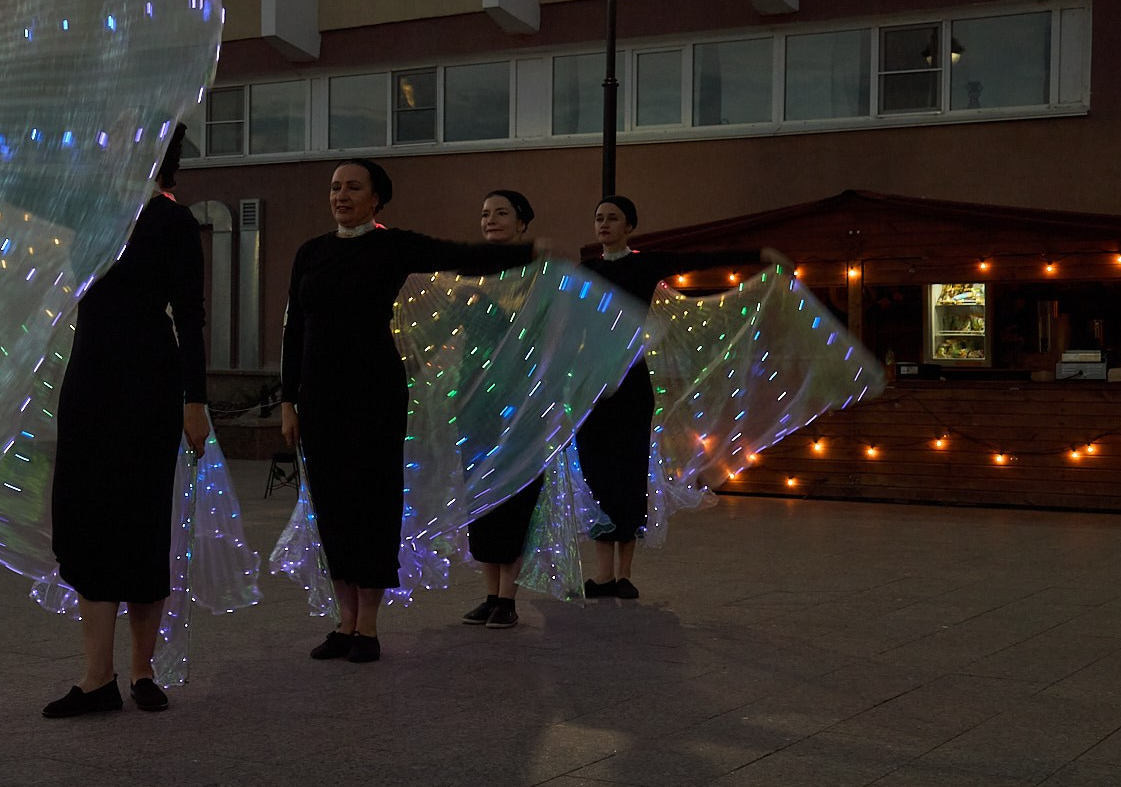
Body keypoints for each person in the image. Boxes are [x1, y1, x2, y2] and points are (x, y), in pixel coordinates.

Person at [280, 160, 535, 663]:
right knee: (330, 507)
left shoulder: (392, 245)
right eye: (335, 187)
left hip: (373, 392)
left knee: (371, 504)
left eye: (354, 187)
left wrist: (529, 251)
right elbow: (294, 330)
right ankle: (343, 621)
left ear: (377, 198)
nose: (342, 195)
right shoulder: (310, 252)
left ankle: (368, 628)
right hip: (319, 398)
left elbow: (459, 255)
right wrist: (289, 398)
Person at [42, 124, 209, 718]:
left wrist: (196, 400)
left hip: (149, 380)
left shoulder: (173, 222)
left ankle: (142, 669)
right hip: (90, 378)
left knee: (140, 517)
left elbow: (190, 316)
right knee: (86, 517)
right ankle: (96, 677)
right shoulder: (89, 215)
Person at [576, 195, 788, 598]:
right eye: (599, 218)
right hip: (594, 386)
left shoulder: (644, 264)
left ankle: (624, 574)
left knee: (630, 472)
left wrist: (759, 253)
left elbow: (700, 258)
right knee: (597, 475)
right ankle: (602, 574)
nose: (603, 224)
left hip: (632, 382)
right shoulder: (586, 271)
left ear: (629, 226)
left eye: (613, 218)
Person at [462, 190, 542, 630]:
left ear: (522, 223)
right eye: (484, 213)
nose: (490, 220)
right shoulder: (469, 271)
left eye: (501, 213)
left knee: (515, 496)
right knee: (480, 495)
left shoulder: (537, 274)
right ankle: (489, 593)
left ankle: (508, 598)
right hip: (474, 398)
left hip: (521, 398)